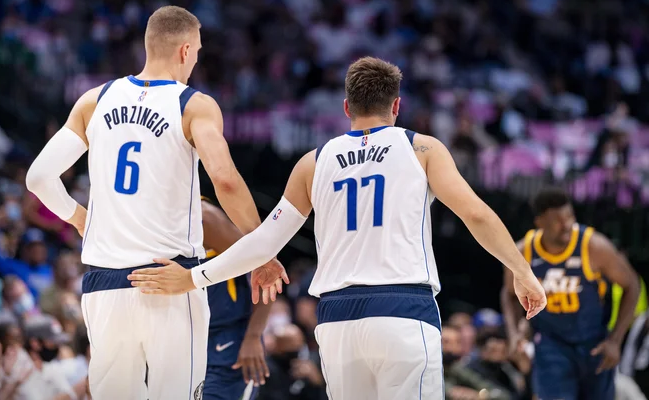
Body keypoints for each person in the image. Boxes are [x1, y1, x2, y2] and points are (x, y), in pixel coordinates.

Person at [129, 56, 547, 399]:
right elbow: (475, 214)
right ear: (396, 106)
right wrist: (522, 272)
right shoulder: (421, 147)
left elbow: (263, 242)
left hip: (337, 320)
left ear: (346, 108)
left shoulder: (313, 162)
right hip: (402, 308)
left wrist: (192, 278)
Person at [24, 5, 285, 400]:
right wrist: (262, 248)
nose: (196, 59)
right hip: (170, 280)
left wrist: (79, 218)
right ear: (184, 50)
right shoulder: (194, 105)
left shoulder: (95, 100)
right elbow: (226, 181)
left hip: (103, 284)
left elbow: (38, 178)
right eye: (197, 51)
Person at [500, 187, 641, 400]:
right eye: (557, 220)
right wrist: (514, 334)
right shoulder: (524, 252)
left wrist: (615, 340)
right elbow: (509, 294)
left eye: (569, 216)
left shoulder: (594, 246)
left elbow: (632, 285)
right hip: (551, 344)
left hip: (594, 344)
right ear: (540, 223)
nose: (567, 224)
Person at [199, 197, 274, 400]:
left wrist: (252, 337)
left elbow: (269, 271)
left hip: (226, 342)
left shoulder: (203, 218)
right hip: (182, 341)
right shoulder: (144, 219)